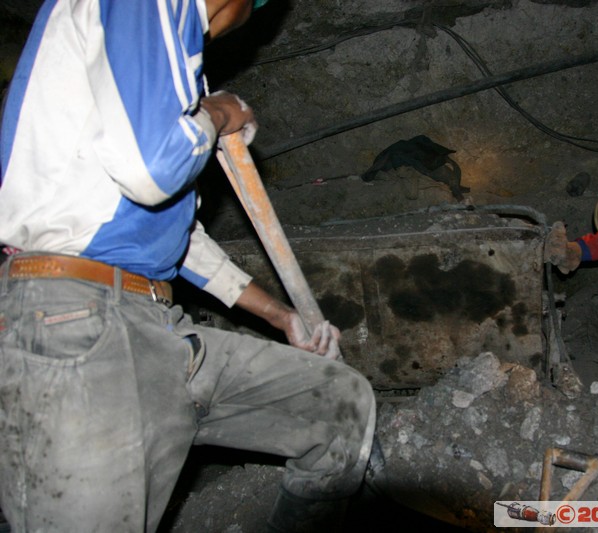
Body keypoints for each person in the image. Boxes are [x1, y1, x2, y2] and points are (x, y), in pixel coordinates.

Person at [0, 1, 375, 532]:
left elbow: (174, 238)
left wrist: (280, 315)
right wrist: (222, 110)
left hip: (158, 328)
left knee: (340, 403)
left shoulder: (138, 81)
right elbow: (151, 170)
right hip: (75, 322)